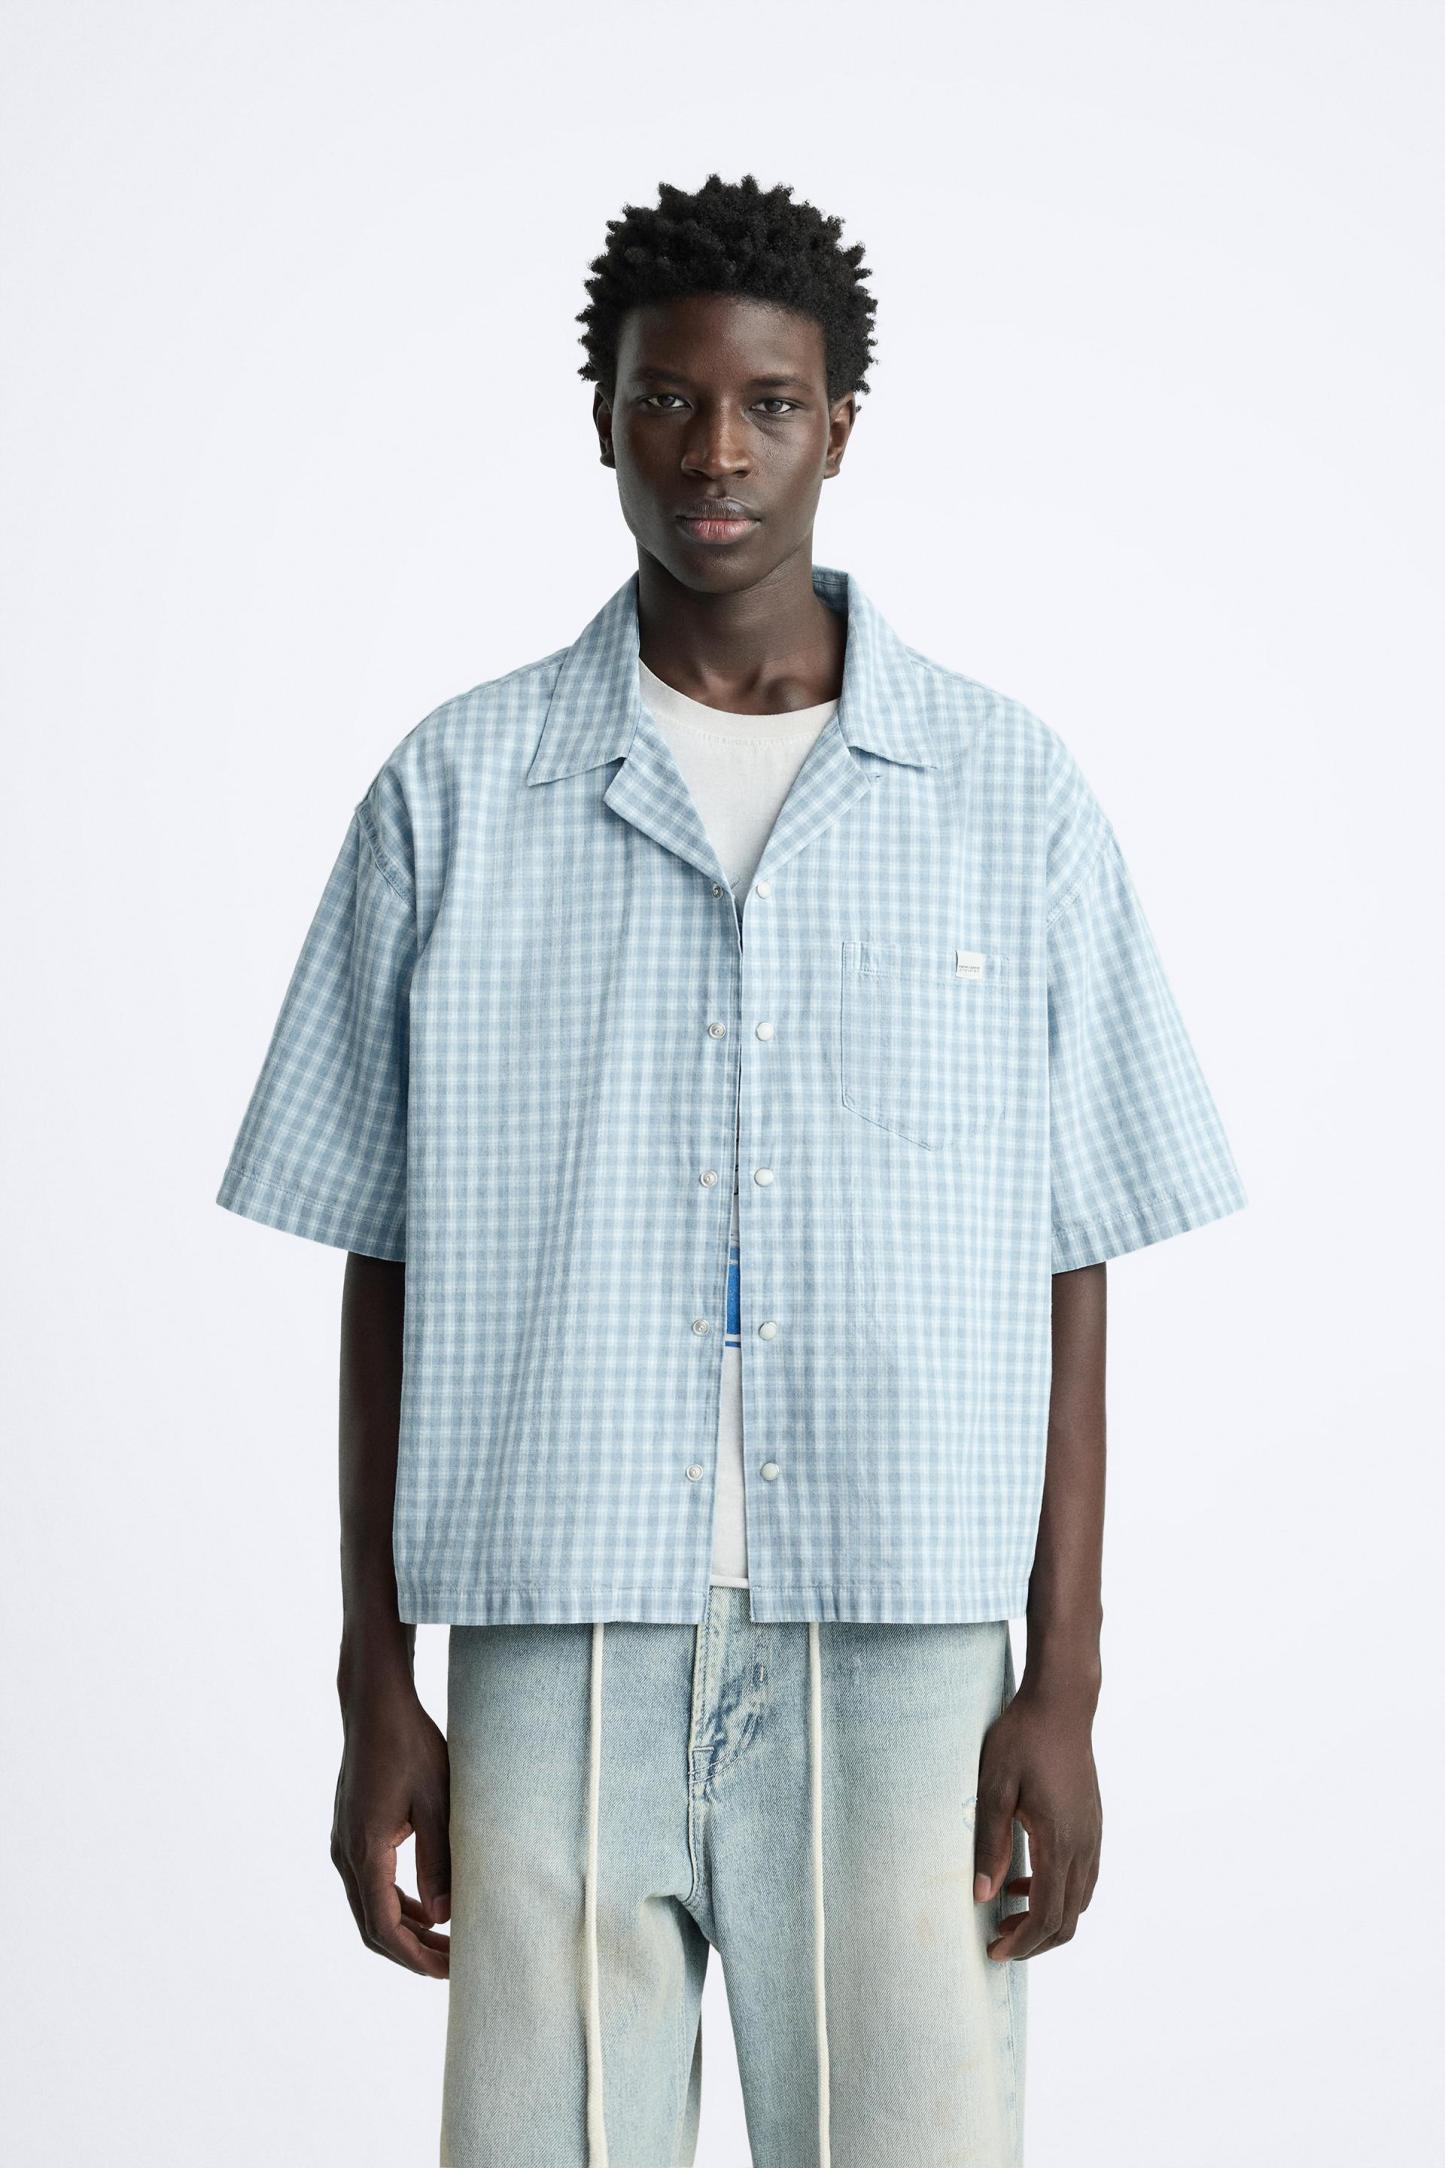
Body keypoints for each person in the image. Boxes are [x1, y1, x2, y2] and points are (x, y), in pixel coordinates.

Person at [216, 172, 1246, 2167]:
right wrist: (374, 1682)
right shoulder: (453, 794)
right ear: (599, 418)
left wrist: (1065, 1685)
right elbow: (384, 1260)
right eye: (667, 401)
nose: (714, 453)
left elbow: (1073, 1258)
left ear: (839, 427)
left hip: (906, 1638)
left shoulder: (1008, 800)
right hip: (555, 1623)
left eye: (768, 405)